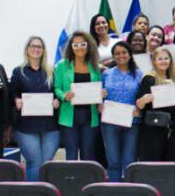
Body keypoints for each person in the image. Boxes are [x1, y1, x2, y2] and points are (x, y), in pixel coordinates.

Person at [10, 36, 59, 180]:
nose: (36, 49)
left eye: (39, 46)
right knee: (34, 163)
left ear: (43, 50)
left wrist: (58, 101)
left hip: (50, 126)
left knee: (46, 164)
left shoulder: (52, 71)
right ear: (27, 49)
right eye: (33, 46)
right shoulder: (19, 72)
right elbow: (12, 93)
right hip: (26, 126)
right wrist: (16, 100)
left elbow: (58, 92)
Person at [54, 31, 102, 161]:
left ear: (88, 45)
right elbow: (56, 88)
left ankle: (87, 181)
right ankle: (72, 181)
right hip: (69, 116)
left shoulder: (95, 66)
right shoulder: (62, 65)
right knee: (71, 154)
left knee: (88, 154)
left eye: (82, 44)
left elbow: (99, 88)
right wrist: (64, 95)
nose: (79, 47)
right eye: (75, 45)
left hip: (90, 116)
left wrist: (101, 95)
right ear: (71, 47)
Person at [101, 42, 143, 182]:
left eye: (124, 52)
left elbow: (143, 97)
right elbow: (99, 95)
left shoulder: (139, 74)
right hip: (110, 123)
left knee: (129, 160)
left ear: (130, 54)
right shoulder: (106, 74)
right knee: (113, 160)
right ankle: (114, 190)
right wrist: (99, 103)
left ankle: (128, 191)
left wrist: (139, 109)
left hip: (132, 122)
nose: (121, 56)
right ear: (113, 56)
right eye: (117, 53)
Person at [135, 47, 175, 161]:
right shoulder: (149, 78)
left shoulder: (172, 79)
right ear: (154, 61)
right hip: (153, 128)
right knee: (153, 160)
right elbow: (139, 105)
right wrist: (144, 100)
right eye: (160, 59)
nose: (164, 61)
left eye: (166, 58)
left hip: (168, 126)